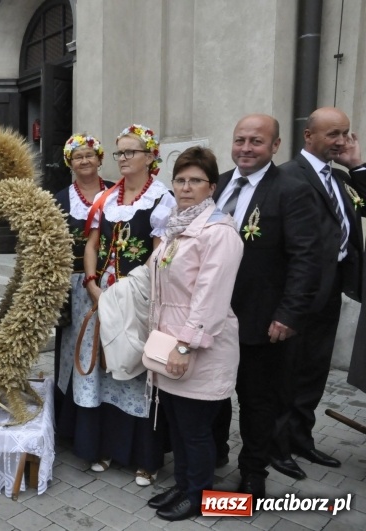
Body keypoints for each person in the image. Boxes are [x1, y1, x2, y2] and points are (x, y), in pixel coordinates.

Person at [211, 114, 321, 500]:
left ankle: (253, 473)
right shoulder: (221, 184)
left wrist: (289, 314)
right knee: (213, 393)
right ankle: (214, 455)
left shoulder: (290, 189)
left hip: (261, 321)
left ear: (275, 146)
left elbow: (307, 258)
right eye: (240, 139)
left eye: (256, 141)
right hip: (213, 318)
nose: (245, 148)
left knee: (256, 402)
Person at [73, 124, 176, 485]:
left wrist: (128, 292)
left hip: (137, 297)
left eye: (131, 152)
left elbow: (160, 253)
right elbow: (91, 244)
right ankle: (108, 447)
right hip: (103, 294)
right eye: (120, 153)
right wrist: (91, 284)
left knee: (136, 368)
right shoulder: (108, 198)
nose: (123, 159)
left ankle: (145, 458)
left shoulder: (162, 199)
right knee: (105, 368)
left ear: (150, 157)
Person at [144, 146, 243, 521]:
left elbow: (210, 296)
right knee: (178, 424)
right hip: (167, 343)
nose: (186, 187)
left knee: (196, 429)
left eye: (195, 181)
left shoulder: (219, 232)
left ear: (211, 187)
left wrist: (185, 345)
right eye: (181, 180)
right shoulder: (176, 225)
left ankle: (199, 494)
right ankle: (184, 484)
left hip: (197, 346)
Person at [270, 108, 366, 479]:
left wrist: (357, 166)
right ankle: (276, 447)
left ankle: (300, 439)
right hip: (297, 294)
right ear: (309, 136)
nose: (340, 140)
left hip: (331, 290)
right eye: (332, 134)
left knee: (314, 372)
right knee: (287, 374)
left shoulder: (341, 178)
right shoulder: (288, 177)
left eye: (345, 133)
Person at [52, 133, 111, 420]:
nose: (85, 160)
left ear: (100, 159)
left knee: (109, 349)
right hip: (75, 285)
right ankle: (75, 420)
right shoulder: (59, 200)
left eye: (90, 154)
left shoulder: (117, 194)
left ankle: (109, 410)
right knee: (76, 349)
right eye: (78, 156)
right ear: (70, 163)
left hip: (113, 281)